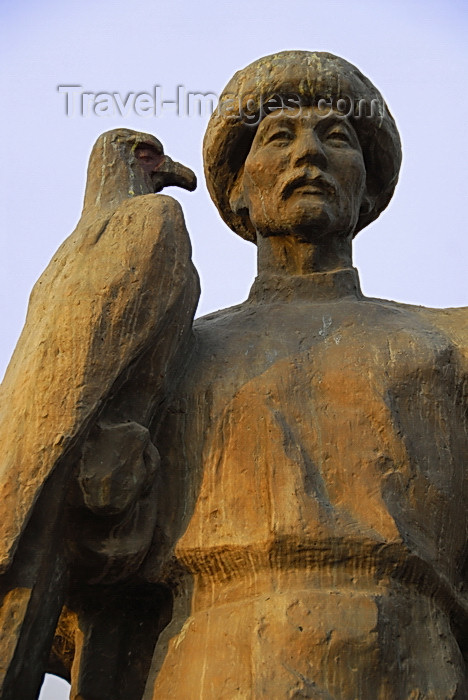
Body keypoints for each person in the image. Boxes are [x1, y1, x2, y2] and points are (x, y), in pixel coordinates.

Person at [3, 51, 468, 699]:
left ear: (368, 189)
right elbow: (85, 562)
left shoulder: (451, 342)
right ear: (239, 191)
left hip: (414, 657)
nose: (309, 151)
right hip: (206, 660)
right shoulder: (174, 357)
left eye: (336, 136)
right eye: (280, 136)